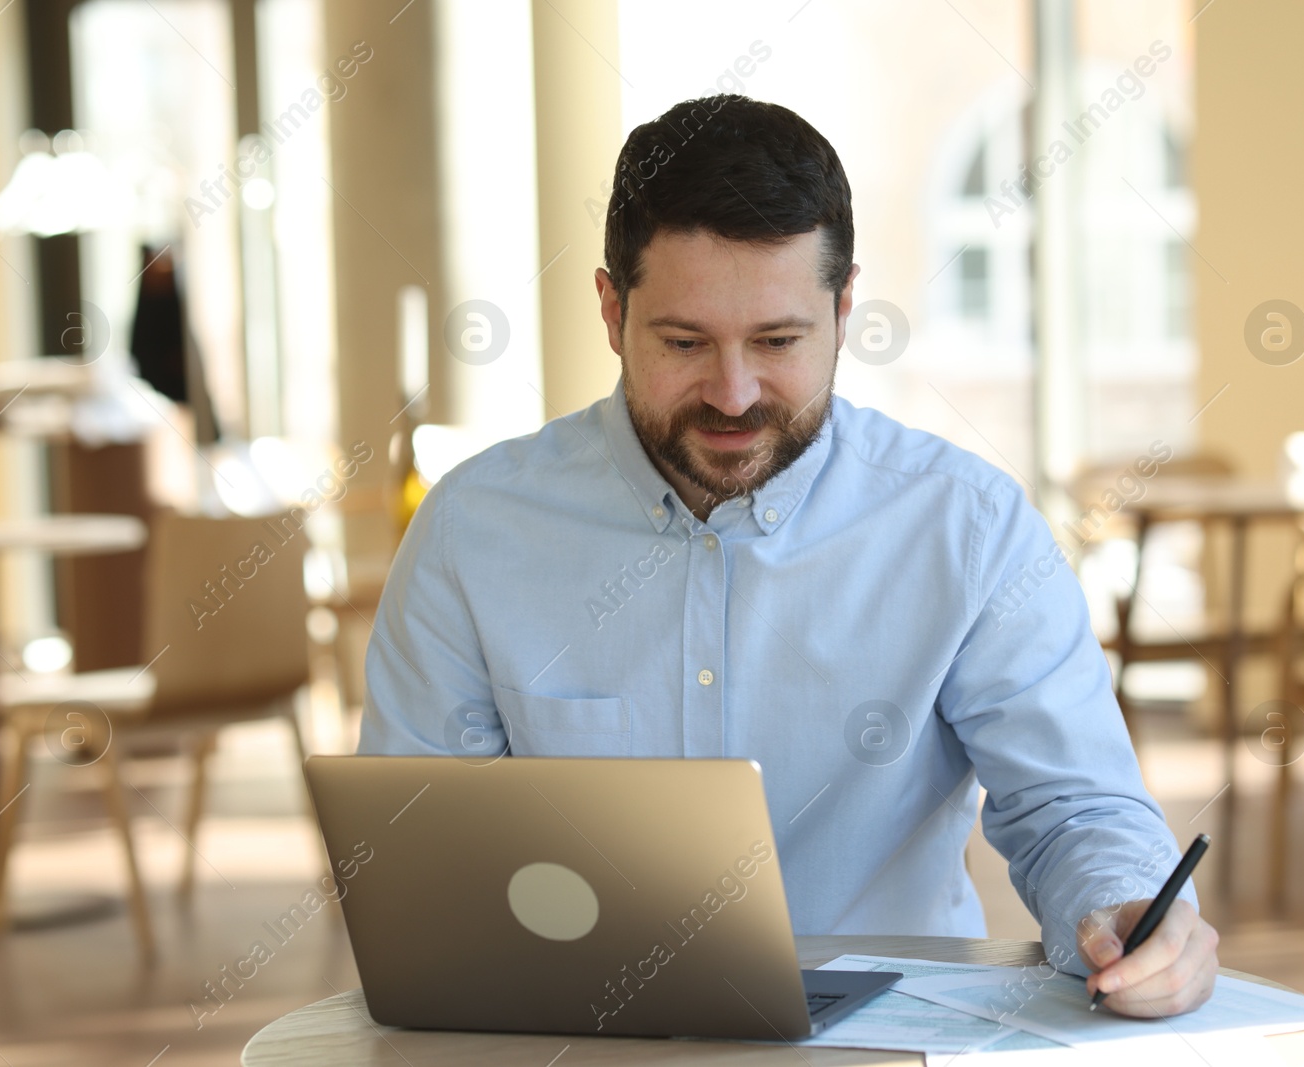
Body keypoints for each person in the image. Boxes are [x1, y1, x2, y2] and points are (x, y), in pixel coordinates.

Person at [359, 94, 1219, 1017]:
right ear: (611, 311)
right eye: (684, 343)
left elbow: (1075, 811)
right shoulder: (474, 532)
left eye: (778, 341)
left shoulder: (965, 527)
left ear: (845, 309)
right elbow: (417, 861)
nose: (733, 394)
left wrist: (1125, 909)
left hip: (893, 1042)